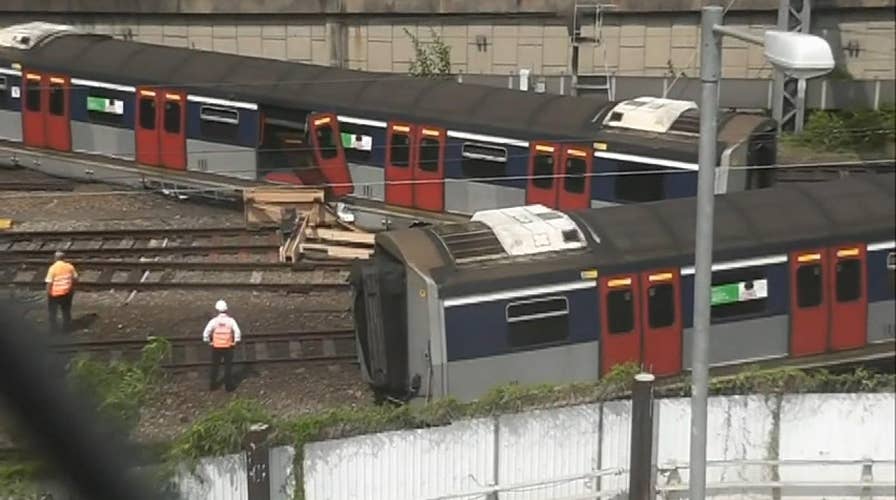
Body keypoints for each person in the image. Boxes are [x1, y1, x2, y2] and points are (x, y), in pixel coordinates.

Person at [202, 300, 241, 392]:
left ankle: (212, 386)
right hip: (228, 346)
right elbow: (237, 332)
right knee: (228, 367)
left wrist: (208, 341)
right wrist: (236, 341)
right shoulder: (231, 321)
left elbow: (206, 333)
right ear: (226, 309)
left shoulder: (214, 321)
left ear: (217, 309)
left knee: (215, 366)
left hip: (216, 347)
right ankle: (228, 387)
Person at [45, 250, 78, 334]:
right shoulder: (70, 267)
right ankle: (66, 329)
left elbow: (49, 282)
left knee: (53, 313)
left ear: (55, 258)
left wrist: (48, 293)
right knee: (66, 311)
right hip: (67, 293)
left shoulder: (53, 268)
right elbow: (75, 278)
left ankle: (53, 330)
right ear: (64, 258)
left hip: (54, 294)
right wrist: (71, 288)